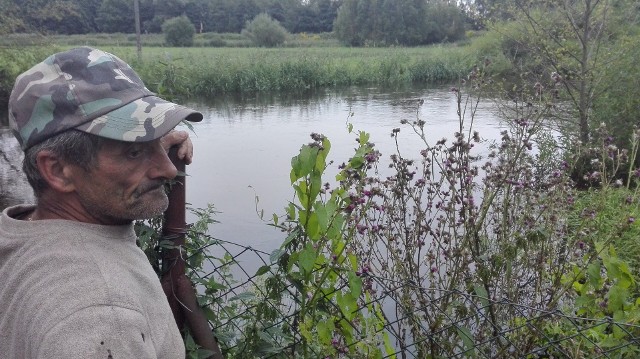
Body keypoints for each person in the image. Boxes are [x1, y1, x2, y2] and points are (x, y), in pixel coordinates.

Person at [0, 46, 203, 358]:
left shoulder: (21, 232)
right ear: (57, 170)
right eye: (133, 151)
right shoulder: (105, 323)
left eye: (154, 144)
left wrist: (147, 143)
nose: (168, 169)